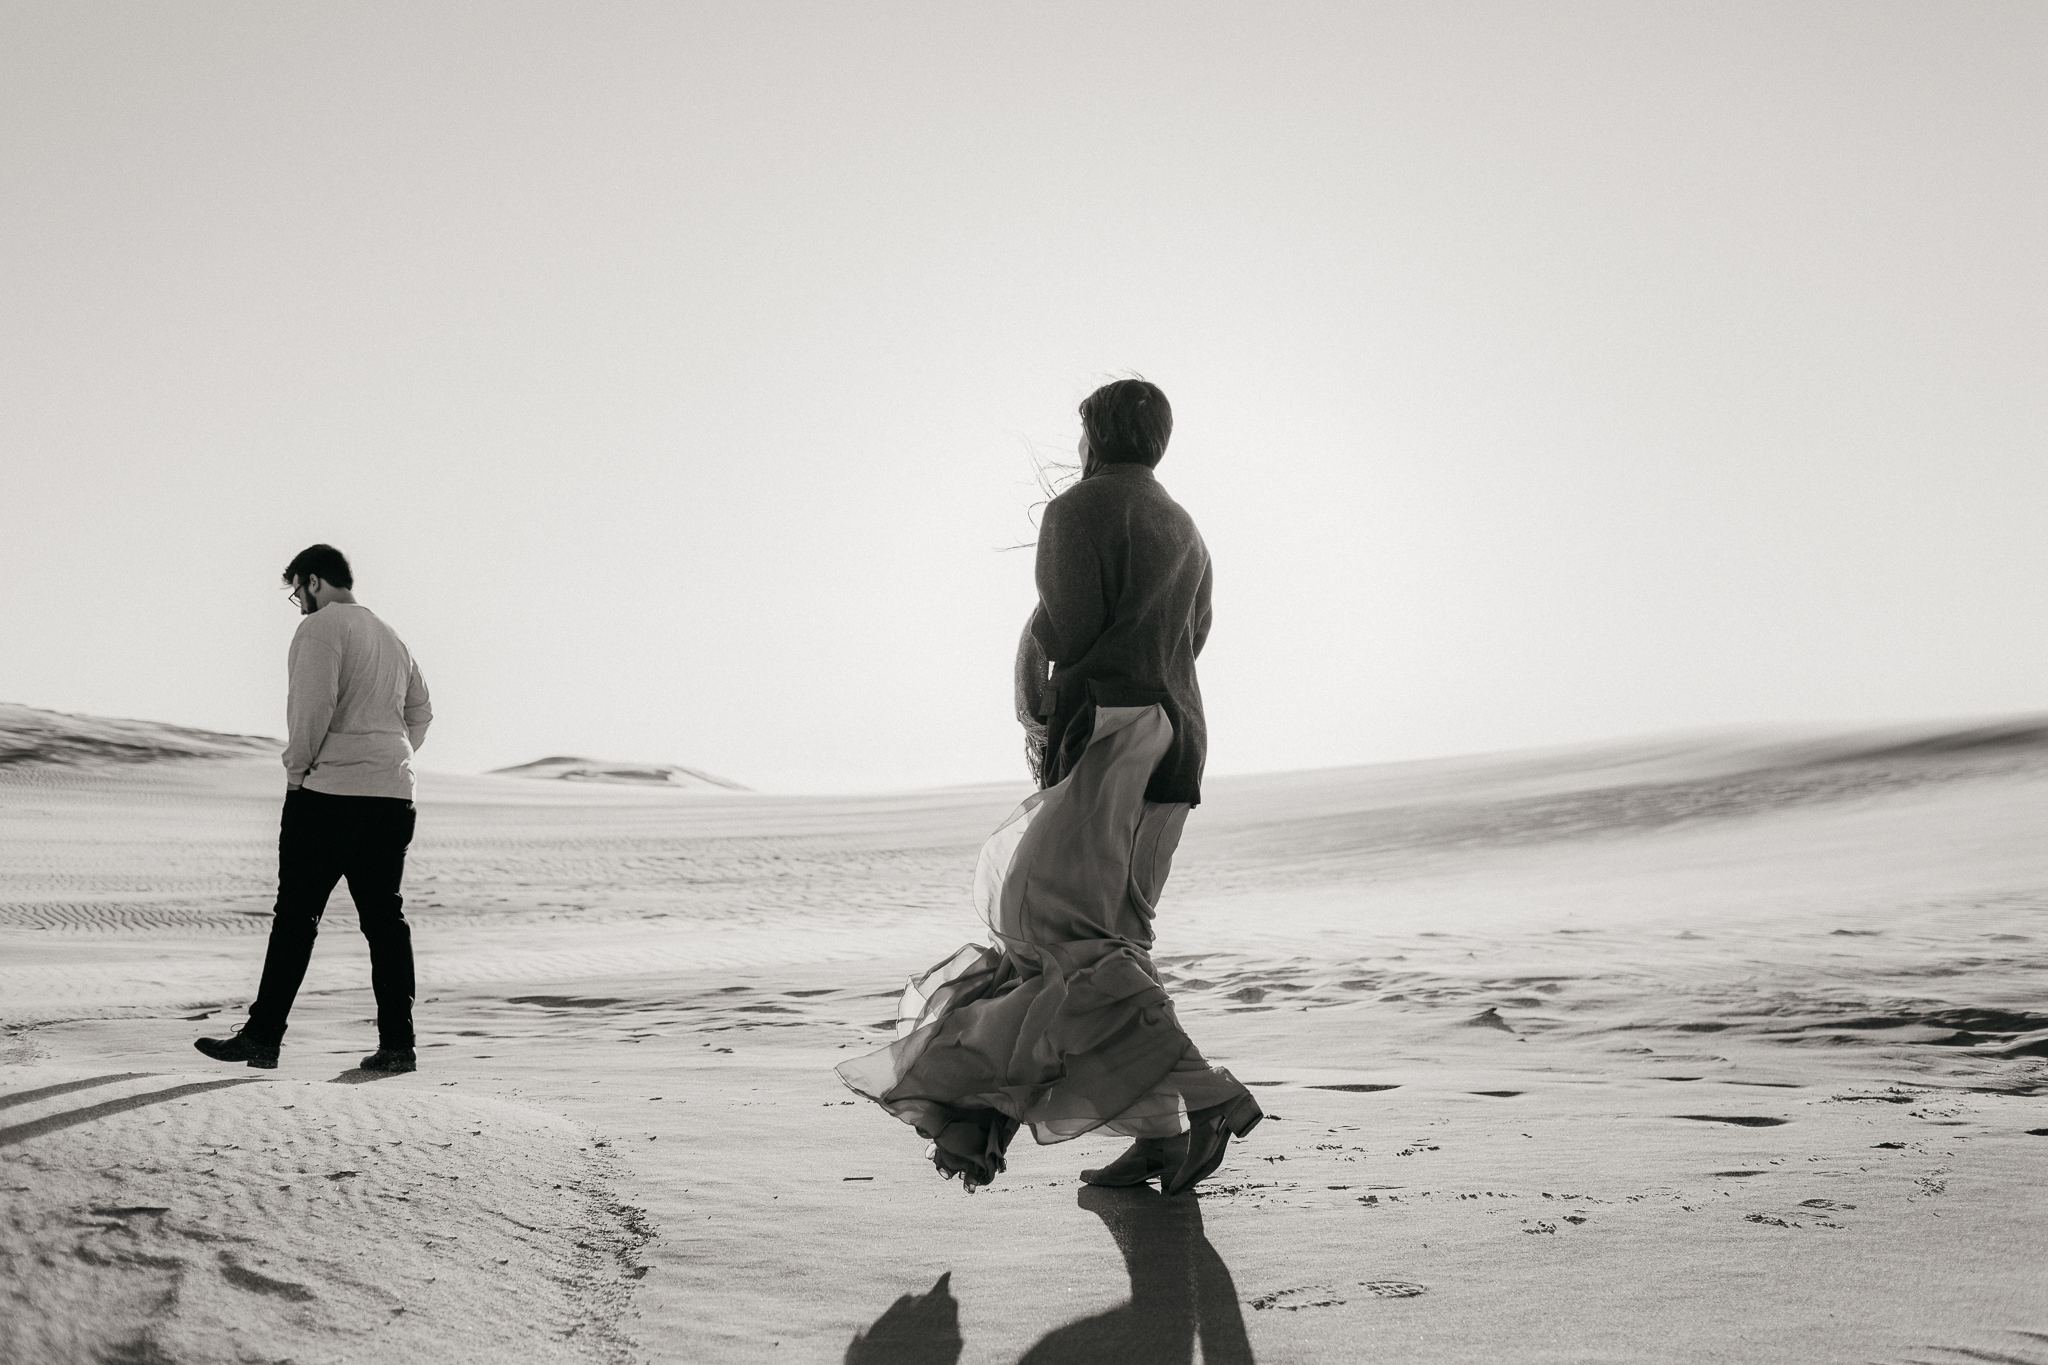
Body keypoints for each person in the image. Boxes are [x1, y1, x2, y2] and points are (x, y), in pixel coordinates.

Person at [837, 379, 1261, 1195]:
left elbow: (1066, 628)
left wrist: (1047, 696)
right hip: (1179, 746)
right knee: (1113, 942)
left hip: (1112, 731)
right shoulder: (1187, 527)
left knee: (1051, 925)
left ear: (1094, 435)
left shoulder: (1078, 511)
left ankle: (1205, 1101)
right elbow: (1196, 635)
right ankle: (1162, 1134)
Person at [195, 545, 432, 1073]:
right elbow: (422, 711)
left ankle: (262, 1038)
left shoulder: (322, 628)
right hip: (393, 796)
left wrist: (299, 773)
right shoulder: (392, 637)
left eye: (296, 591)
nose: (297, 601)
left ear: (314, 581)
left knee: (296, 919)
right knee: (385, 922)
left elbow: (312, 706)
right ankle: (398, 1045)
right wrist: (390, 757)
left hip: (327, 798)